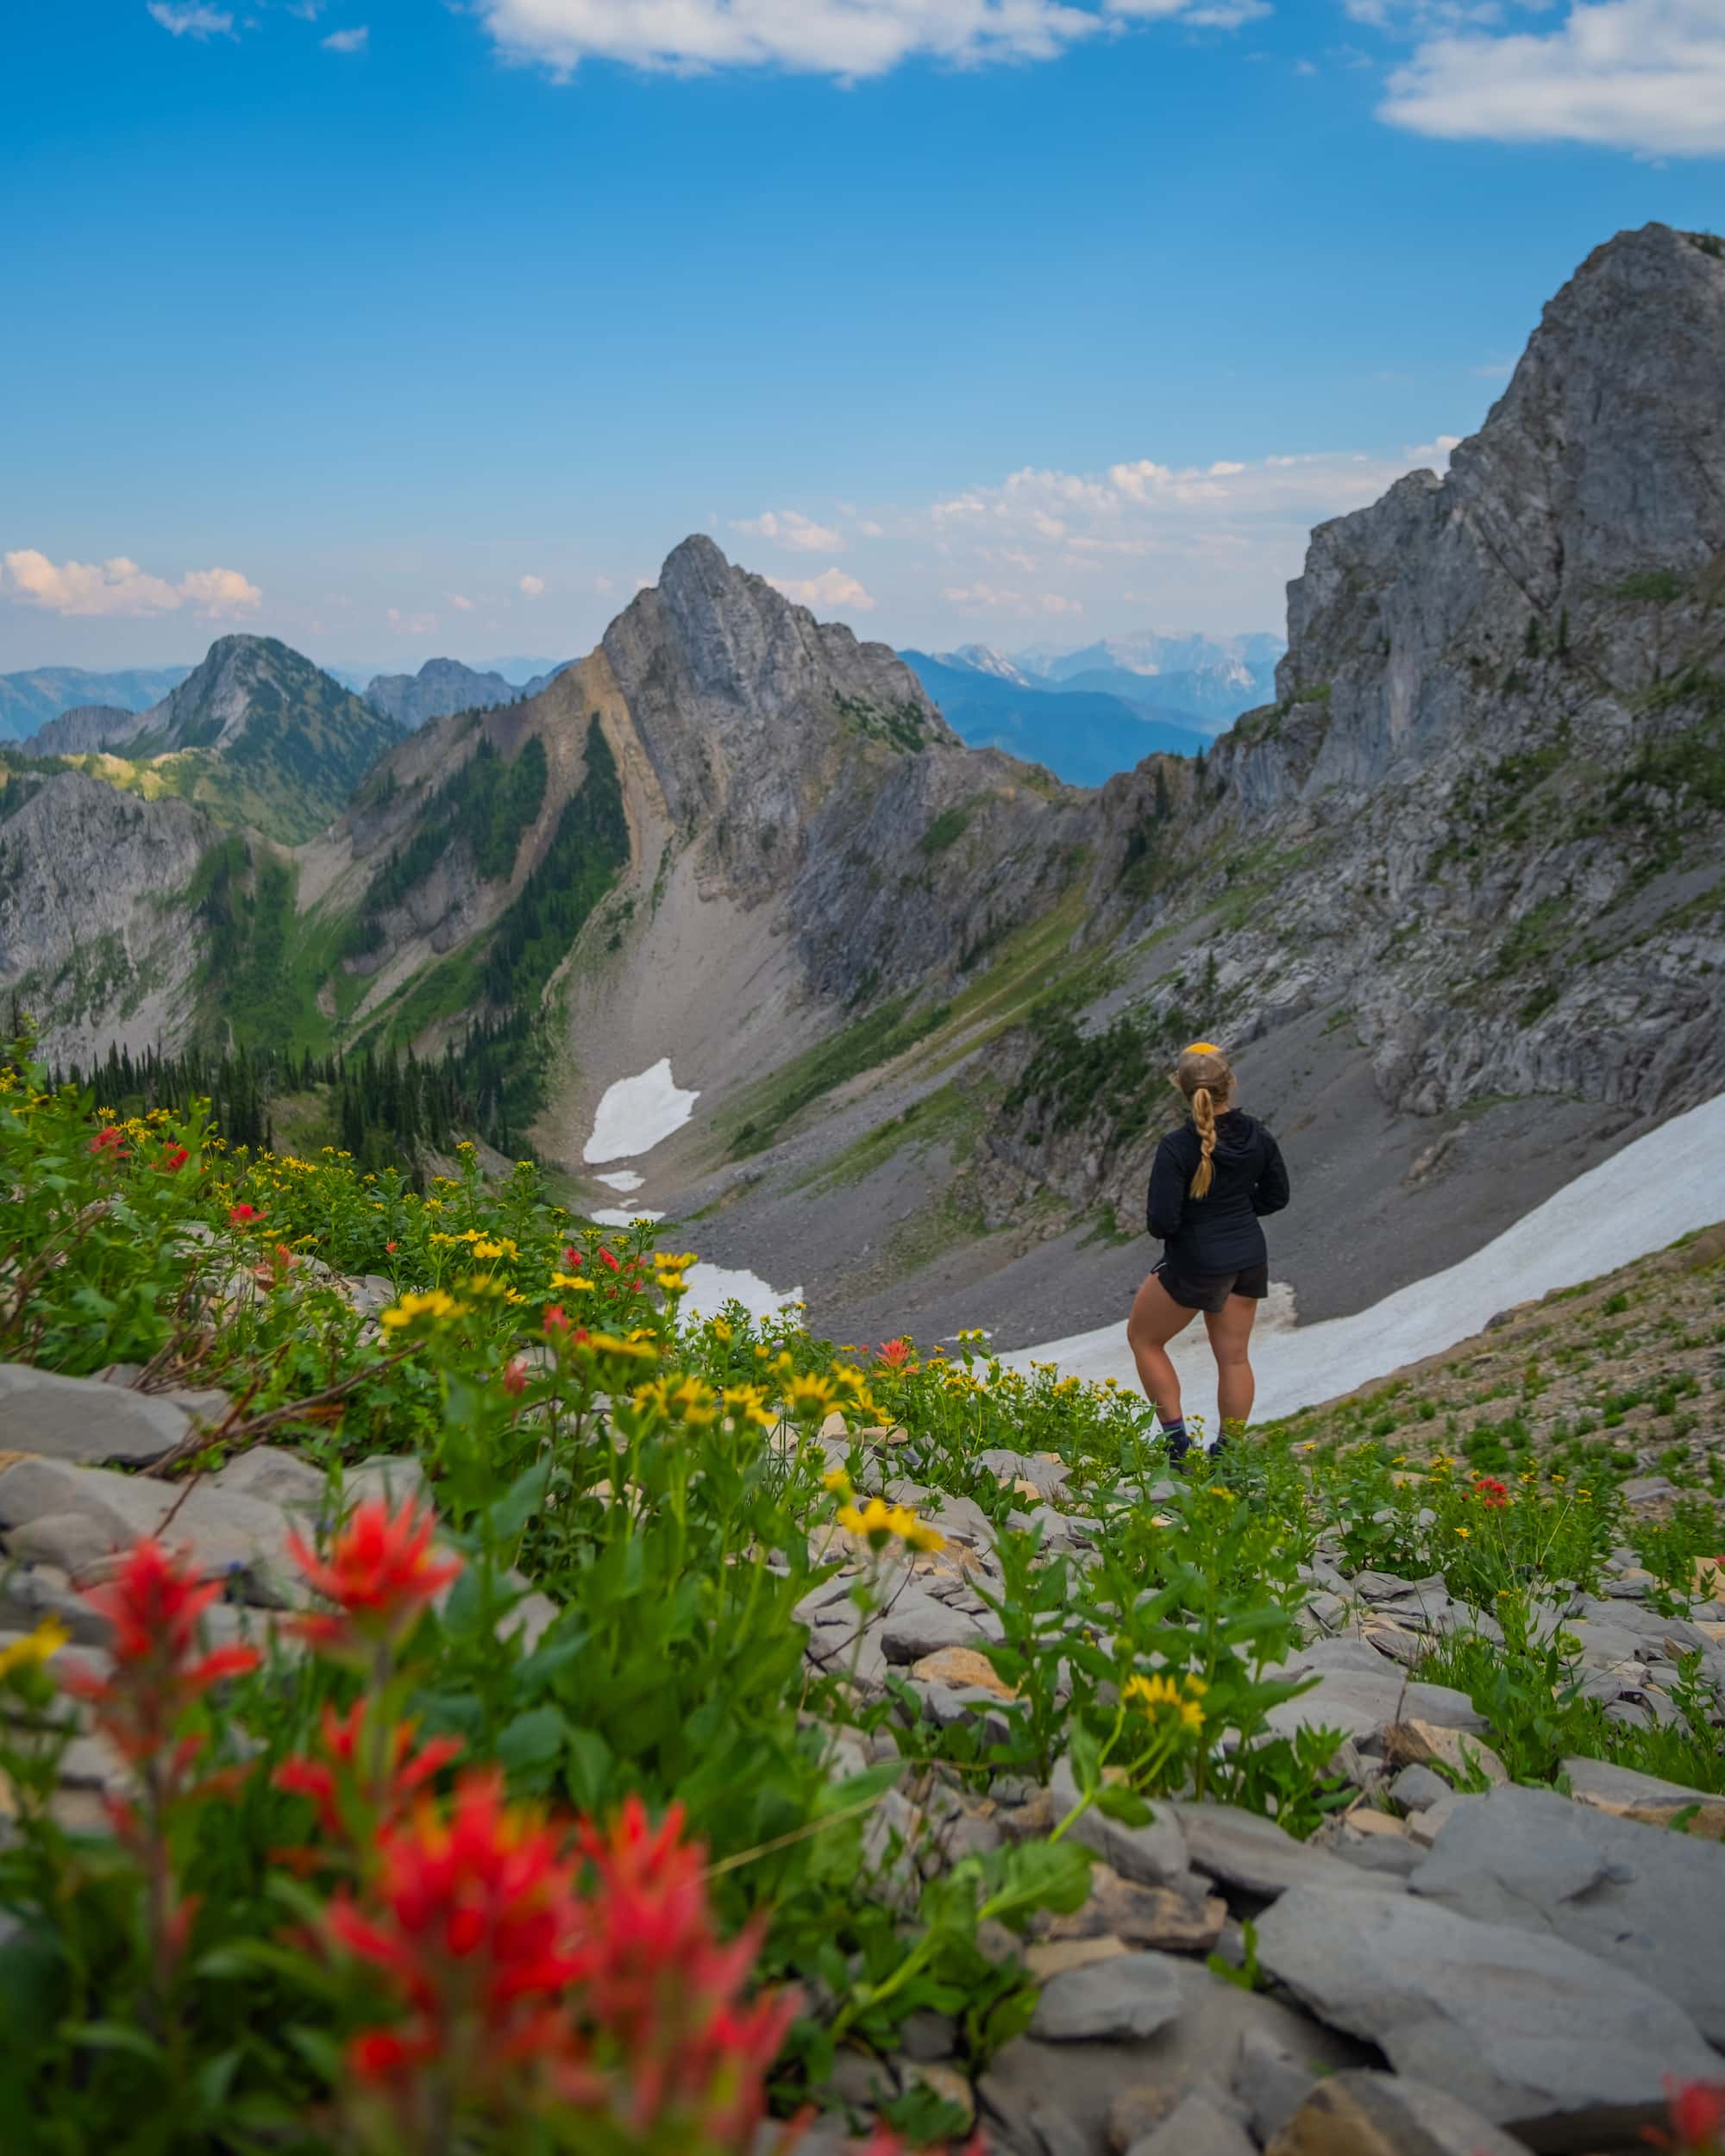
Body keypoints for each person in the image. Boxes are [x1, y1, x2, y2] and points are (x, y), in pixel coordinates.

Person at [1126, 1042, 1289, 1462]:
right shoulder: (1258, 1135)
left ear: (1178, 1085)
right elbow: (1277, 1196)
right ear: (1229, 1082)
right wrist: (1236, 1212)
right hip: (1249, 1256)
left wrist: (1201, 1223)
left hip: (1197, 1262)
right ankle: (1227, 1457)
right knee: (1234, 1358)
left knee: (1144, 1339)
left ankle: (1178, 1447)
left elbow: (1161, 1222)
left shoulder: (1177, 1147)